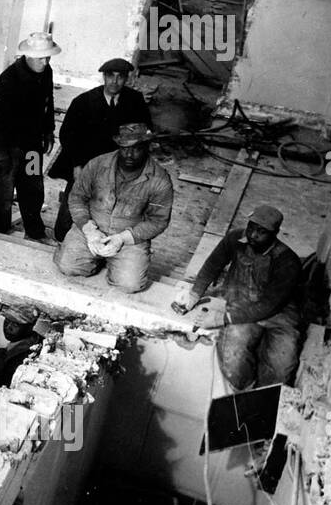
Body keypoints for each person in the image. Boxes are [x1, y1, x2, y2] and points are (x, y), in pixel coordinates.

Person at [172, 205, 303, 390]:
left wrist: (220, 318)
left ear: (275, 233)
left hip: (278, 317)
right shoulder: (236, 239)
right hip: (241, 308)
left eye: (261, 232)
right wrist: (194, 294)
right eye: (251, 227)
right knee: (233, 358)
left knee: (281, 365)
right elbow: (212, 265)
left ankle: (264, 398)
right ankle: (242, 391)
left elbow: (269, 306)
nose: (253, 235)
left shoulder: (287, 262)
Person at [54, 122, 173, 293]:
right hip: (92, 229)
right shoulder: (97, 164)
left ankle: (114, 261)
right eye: (124, 148)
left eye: (137, 148)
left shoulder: (159, 179)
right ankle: (95, 257)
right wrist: (89, 230)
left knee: (129, 285)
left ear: (147, 147)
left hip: (128, 237)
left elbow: (158, 220)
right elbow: (77, 198)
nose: (129, 154)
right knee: (68, 266)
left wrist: (122, 238)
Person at [49, 58, 151, 241]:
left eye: (120, 77)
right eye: (111, 76)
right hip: (86, 162)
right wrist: (77, 164)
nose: (115, 81)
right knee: (75, 198)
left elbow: (144, 132)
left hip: (117, 164)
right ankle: (61, 236)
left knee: (111, 204)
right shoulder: (84, 101)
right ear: (104, 77)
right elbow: (67, 135)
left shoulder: (135, 101)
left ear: (127, 79)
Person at [0, 32, 60, 240]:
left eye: (48, 57)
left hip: (32, 145)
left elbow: (48, 102)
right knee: (4, 190)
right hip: (7, 144)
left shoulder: (46, 72)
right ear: (27, 56)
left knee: (33, 186)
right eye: (40, 58)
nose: (45, 63)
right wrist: (0, 156)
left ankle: (34, 229)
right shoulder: (6, 82)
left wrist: (49, 131)